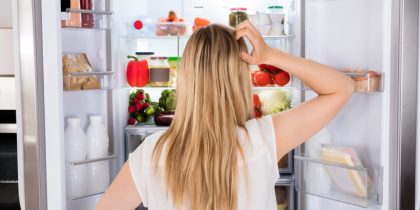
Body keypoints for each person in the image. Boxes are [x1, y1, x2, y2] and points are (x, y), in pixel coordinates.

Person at [94, 21, 355, 210]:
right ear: (239, 79)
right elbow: (342, 88)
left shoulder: (150, 154)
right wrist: (271, 55)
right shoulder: (263, 139)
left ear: (186, 78)